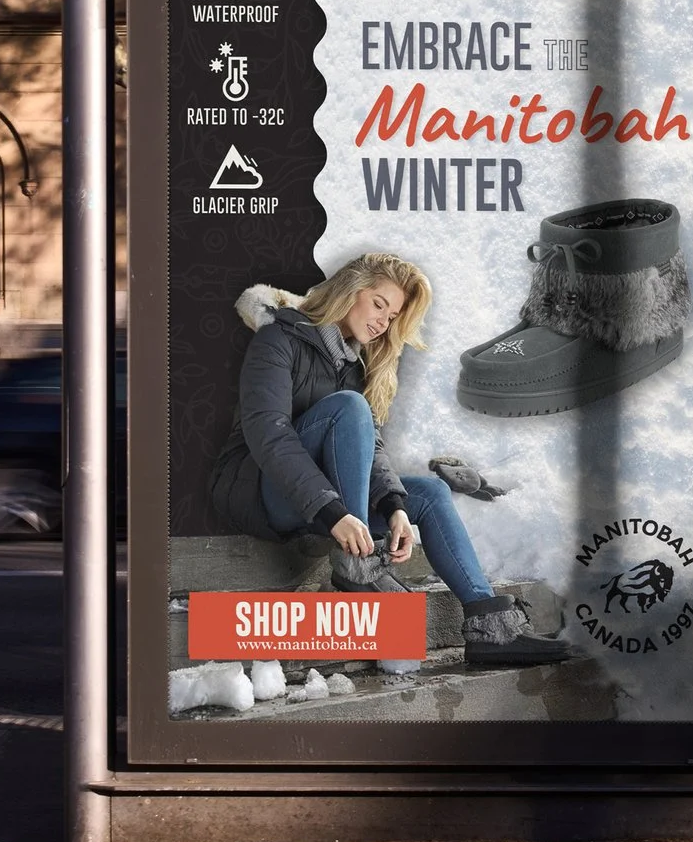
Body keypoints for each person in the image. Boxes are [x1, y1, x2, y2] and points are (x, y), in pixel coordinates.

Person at [208, 252, 571, 667]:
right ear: (349, 292)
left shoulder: (353, 363)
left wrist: (394, 506)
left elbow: (370, 449)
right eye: (379, 303)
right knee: (348, 407)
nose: (383, 321)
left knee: (430, 492)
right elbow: (267, 432)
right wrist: (336, 513)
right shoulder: (278, 339)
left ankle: (489, 627)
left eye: (392, 314)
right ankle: (356, 564)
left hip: (325, 502)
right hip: (257, 489)